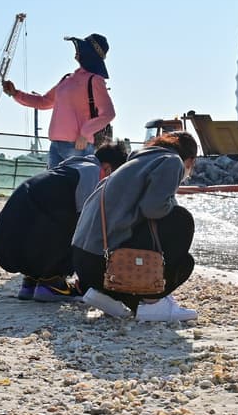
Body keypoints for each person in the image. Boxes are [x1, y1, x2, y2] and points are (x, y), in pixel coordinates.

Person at [71, 132, 198, 323]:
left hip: (84, 265)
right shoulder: (172, 161)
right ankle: (153, 303)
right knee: (182, 222)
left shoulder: (136, 163)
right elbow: (153, 208)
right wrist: (172, 201)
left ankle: (109, 297)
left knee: (160, 223)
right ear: (190, 160)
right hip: (104, 264)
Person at [0, 141, 129, 302]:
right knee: (85, 230)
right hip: (28, 246)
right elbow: (87, 224)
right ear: (108, 168)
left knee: (59, 216)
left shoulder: (67, 169)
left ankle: (32, 282)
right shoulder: (92, 172)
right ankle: (52, 283)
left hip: (7, 244)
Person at [2, 33, 115, 169]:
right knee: (53, 189)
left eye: (81, 48)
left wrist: (85, 133)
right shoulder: (67, 79)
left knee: (75, 189)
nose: (77, 50)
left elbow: (109, 113)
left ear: (88, 53)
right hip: (55, 145)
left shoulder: (95, 80)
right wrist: (15, 93)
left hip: (78, 146)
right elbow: (44, 101)